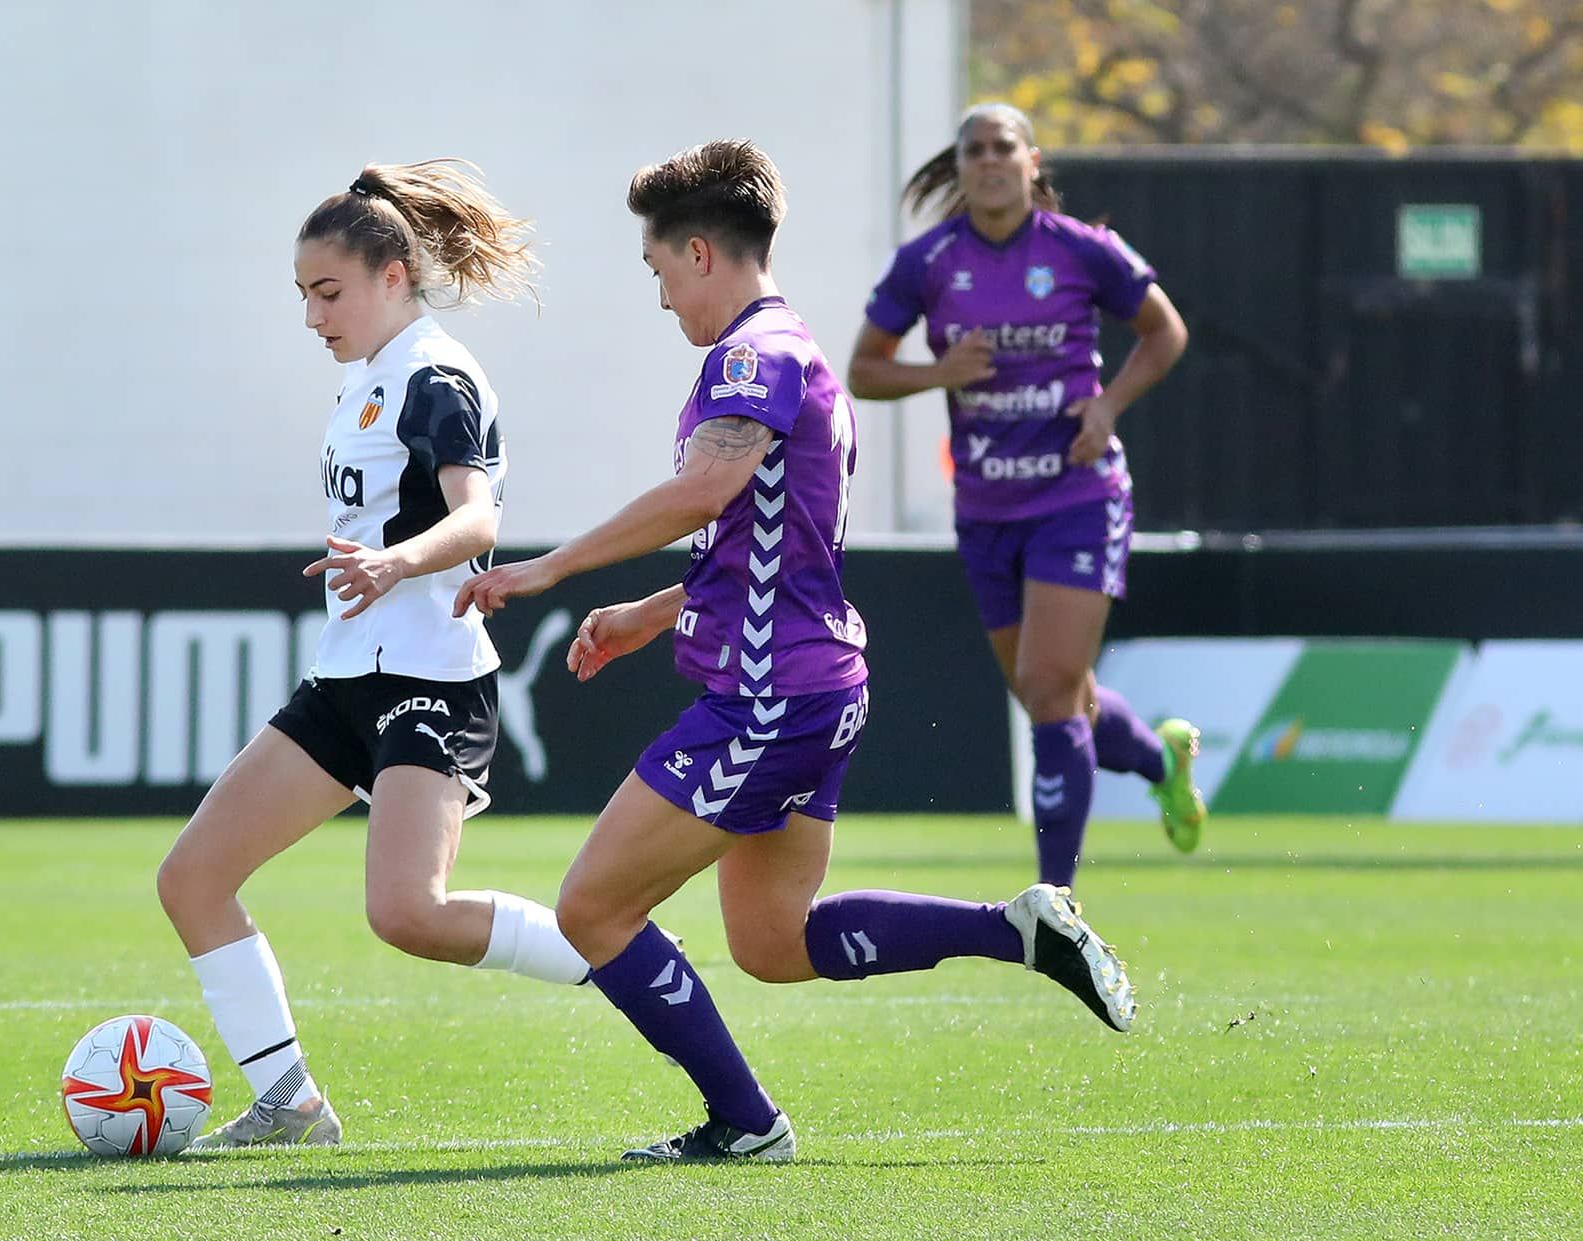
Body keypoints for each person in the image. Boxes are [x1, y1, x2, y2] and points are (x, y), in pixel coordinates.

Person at [456, 139, 1134, 1164]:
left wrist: (547, 570)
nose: (658, 297)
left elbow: (701, 494)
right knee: (774, 941)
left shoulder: (751, 357)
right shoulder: (794, 353)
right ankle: (1018, 928)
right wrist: (650, 610)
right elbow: (771, 544)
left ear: (698, 252)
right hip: (815, 683)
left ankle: (746, 1119)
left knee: (592, 905)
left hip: (768, 698)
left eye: (656, 271)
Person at [155, 160, 592, 1151]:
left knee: (408, 912)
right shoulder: (365, 381)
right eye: (303, 294)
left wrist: (397, 560)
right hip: (350, 672)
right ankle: (289, 1104)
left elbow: (478, 516)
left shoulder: (438, 376)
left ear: (393, 273)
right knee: (191, 877)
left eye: (328, 291)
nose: (312, 314)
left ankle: (615, 951)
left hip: (430, 672)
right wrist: (381, 572)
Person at [847, 102, 1205, 887]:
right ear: (962, 166)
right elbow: (863, 371)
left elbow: (1165, 331)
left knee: (1048, 690)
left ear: (1032, 161)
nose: (988, 160)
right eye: (973, 149)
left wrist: (1108, 405)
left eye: (1002, 146)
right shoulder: (929, 262)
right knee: (1056, 696)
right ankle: (1160, 759)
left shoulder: (1082, 250)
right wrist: (937, 374)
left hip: (1077, 494)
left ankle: (1057, 903)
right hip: (985, 509)